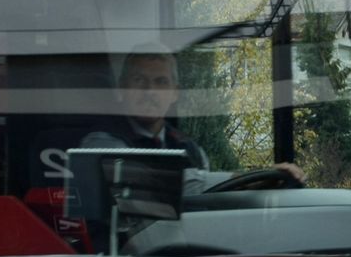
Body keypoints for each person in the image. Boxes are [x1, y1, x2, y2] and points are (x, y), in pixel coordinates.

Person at [82, 44, 303, 192]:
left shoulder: (190, 149)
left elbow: (210, 199)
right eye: (139, 80)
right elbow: (155, 186)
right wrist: (249, 177)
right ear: (123, 87)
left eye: (161, 82)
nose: (150, 91)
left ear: (174, 92)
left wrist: (257, 184)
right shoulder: (100, 142)